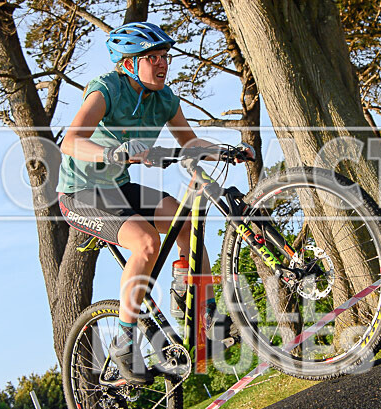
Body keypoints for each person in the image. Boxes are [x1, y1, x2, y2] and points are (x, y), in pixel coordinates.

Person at [58, 22, 254, 384]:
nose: (162, 63)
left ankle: (203, 316)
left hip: (119, 188)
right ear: (129, 64)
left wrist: (224, 151)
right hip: (80, 194)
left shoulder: (164, 99)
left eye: (165, 56)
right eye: (152, 58)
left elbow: (189, 143)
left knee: (186, 225)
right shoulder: (107, 89)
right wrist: (112, 153)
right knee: (146, 241)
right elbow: (70, 142)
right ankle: (123, 343)